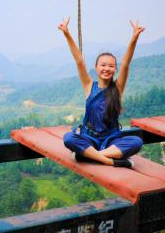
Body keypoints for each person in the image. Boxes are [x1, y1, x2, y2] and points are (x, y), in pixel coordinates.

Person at [58, 17, 145, 168]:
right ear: (96, 67)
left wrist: (134, 38)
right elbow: (79, 61)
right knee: (68, 138)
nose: (107, 68)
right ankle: (109, 160)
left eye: (111, 66)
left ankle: (88, 155)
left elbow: (126, 64)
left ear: (115, 70)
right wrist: (67, 33)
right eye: (103, 65)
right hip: (88, 138)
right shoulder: (89, 85)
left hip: (110, 140)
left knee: (136, 142)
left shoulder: (117, 88)